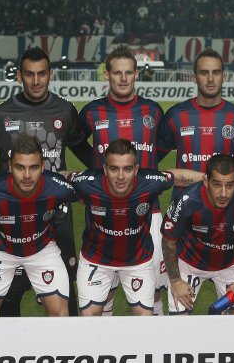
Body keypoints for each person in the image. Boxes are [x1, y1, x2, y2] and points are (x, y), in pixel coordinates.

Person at [0, 47, 93, 317]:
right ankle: (11, 352)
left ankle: (68, 352)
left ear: (50, 75)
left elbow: (85, 152)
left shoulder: (65, 110)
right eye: (29, 74)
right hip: (12, 218)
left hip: (56, 215)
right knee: (9, 295)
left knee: (65, 290)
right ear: (20, 76)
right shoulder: (3, 114)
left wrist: (116, 177)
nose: (36, 80)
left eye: (42, 73)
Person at [78, 44, 166, 316]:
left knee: (154, 287)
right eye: (117, 73)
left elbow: (161, 147)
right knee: (106, 289)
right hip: (102, 211)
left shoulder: (153, 111)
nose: (123, 78)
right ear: (107, 75)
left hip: (147, 211)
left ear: (136, 74)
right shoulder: (92, 112)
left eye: (128, 72)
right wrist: (96, 167)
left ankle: (155, 346)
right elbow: (79, 144)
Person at [70, 139, 203, 316]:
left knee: (143, 322)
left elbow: (176, 177)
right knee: (89, 319)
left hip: (138, 261)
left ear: (136, 169)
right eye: (114, 168)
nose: (120, 176)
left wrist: (210, 179)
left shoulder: (149, 182)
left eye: (127, 169)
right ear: (104, 169)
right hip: (96, 260)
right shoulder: (87, 182)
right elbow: (62, 177)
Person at [0, 135, 75, 317]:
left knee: (60, 315)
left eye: (34, 167)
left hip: (42, 249)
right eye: (19, 167)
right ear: (9, 166)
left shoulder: (58, 187)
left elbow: (92, 195)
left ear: (43, 165)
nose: (27, 176)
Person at [161, 154, 234, 315]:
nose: (223, 193)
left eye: (229, 185)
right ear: (206, 181)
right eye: (216, 185)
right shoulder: (188, 200)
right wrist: (175, 281)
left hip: (230, 264)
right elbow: (169, 240)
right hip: (190, 264)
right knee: (178, 326)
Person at [157, 47, 234, 200]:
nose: (211, 79)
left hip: (227, 211)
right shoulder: (176, 116)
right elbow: (151, 157)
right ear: (194, 77)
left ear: (223, 77)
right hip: (184, 210)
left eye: (216, 72)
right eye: (204, 73)